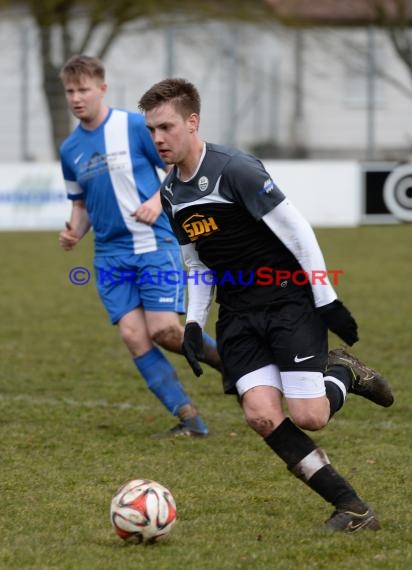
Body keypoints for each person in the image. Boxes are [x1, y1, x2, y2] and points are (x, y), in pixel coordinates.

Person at [138, 78, 394, 531]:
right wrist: (194, 323)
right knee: (260, 416)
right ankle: (351, 507)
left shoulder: (235, 169)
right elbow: (196, 262)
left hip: (286, 301)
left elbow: (299, 232)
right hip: (237, 312)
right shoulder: (171, 193)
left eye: (166, 127)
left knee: (311, 416)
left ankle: (344, 373)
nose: (158, 138)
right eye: (152, 129)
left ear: (192, 122)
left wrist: (326, 299)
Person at [58, 56, 222, 438]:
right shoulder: (70, 149)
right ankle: (190, 419)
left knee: (165, 330)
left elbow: (173, 169)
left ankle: (236, 369)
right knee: (134, 335)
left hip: (153, 243)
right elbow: (80, 205)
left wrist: (155, 201)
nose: (76, 98)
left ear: (102, 89)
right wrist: (73, 232)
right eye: (70, 91)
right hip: (109, 254)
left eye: (84, 89)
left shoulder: (133, 126)